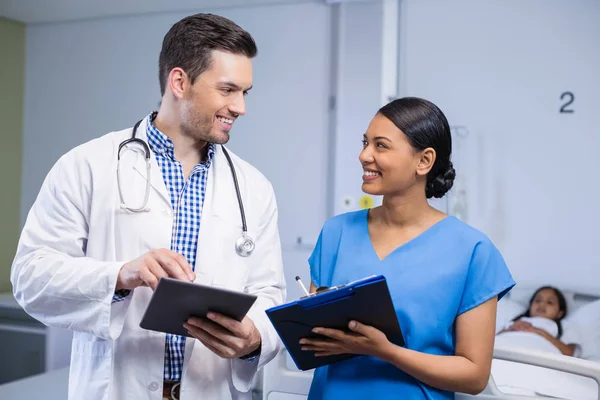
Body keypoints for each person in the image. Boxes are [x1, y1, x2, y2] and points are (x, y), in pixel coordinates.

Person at [11, 13, 286, 400]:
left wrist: (254, 338)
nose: (240, 107)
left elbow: (268, 292)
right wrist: (122, 275)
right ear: (179, 82)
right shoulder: (88, 165)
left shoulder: (253, 187)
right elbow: (30, 277)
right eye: (227, 90)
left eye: (245, 92)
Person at [299, 97, 515, 399]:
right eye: (365, 143)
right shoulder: (336, 232)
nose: (364, 155)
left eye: (381, 145)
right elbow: (312, 340)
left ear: (424, 161)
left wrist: (386, 352)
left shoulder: (473, 250)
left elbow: (474, 375)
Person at [498, 286, 582, 356]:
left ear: (560, 313)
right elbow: (494, 339)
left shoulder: (564, 325)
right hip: (504, 348)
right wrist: (511, 328)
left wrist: (538, 331)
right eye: (537, 300)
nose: (541, 304)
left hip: (537, 354)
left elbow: (569, 353)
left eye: (550, 302)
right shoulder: (518, 321)